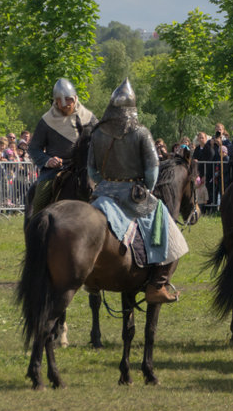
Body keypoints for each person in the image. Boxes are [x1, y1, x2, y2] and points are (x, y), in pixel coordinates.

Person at [87, 79, 188, 303]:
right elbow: (152, 171)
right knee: (168, 229)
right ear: (132, 108)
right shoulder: (140, 132)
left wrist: (105, 183)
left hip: (102, 193)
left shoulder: (97, 133)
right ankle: (157, 285)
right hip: (133, 193)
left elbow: (91, 171)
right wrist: (147, 190)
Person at [27, 78, 98, 217]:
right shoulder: (47, 120)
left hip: (86, 169)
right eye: (60, 100)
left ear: (75, 98)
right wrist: (48, 160)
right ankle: (36, 231)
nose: (65, 104)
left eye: (68, 99)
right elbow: (34, 148)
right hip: (56, 170)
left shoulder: (89, 118)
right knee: (40, 200)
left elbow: (100, 141)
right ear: (55, 101)